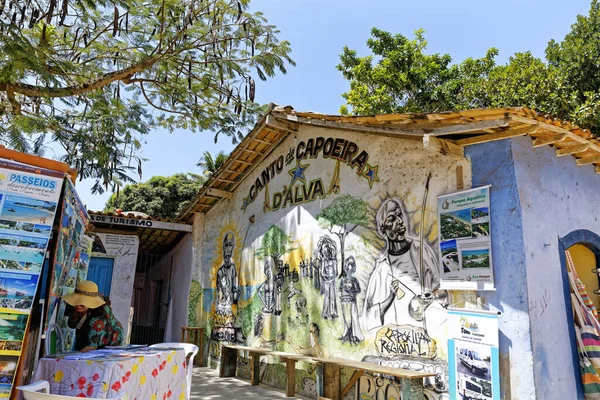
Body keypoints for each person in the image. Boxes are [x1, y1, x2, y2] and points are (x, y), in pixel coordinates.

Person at [361, 199, 443, 331]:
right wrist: (390, 297)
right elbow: (369, 315)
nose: (399, 220)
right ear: (383, 230)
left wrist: (430, 297)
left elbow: (442, 290)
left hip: (424, 333)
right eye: (391, 219)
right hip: (395, 340)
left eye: (400, 215)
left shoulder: (421, 251)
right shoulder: (382, 268)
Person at [62, 280, 123, 352]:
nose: (78, 306)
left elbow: (91, 347)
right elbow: (72, 325)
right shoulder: (73, 306)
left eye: (82, 304)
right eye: (76, 301)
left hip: (109, 342)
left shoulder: (99, 316)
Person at [339, 256, 363, 344]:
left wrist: (350, 291)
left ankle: (354, 335)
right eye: (347, 264)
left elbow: (358, 290)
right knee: (346, 318)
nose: (348, 266)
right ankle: (346, 334)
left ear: (353, 267)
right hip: (344, 302)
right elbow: (340, 289)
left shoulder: (354, 280)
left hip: (352, 302)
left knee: (353, 317)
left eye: (350, 264)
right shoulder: (343, 280)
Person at [216, 232, 239, 317]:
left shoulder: (233, 268)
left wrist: (235, 295)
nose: (228, 249)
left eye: (230, 245)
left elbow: (234, 288)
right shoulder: (220, 272)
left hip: (230, 303)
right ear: (223, 247)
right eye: (226, 245)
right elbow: (219, 291)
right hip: (223, 304)